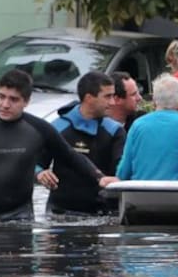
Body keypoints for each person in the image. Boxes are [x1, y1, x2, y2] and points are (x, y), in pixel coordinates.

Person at [0, 69, 115, 222]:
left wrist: (99, 177)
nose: (5, 104)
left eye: (13, 99)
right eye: (1, 97)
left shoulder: (39, 129)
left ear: (26, 101)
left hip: (21, 217)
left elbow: (70, 156)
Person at [44, 71, 126, 216]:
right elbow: (36, 162)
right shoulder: (58, 127)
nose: (113, 103)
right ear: (89, 98)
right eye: (107, 97)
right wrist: (40, 172)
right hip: (60, 212)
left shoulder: (115, 131)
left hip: (102, 212)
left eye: (113, 96)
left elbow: (121, 171)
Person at [115, 74, 178, 181]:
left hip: (140, 193)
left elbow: (123, 171)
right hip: (176, 192)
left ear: (154, 101)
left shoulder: (138, 125)